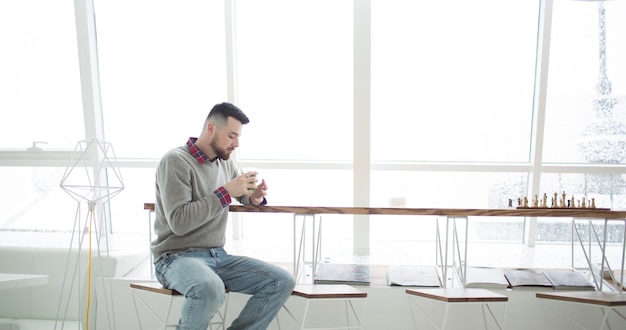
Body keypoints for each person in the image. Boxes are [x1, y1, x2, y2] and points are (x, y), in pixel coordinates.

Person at [150, 102, 296, 330]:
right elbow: (179, 222)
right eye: (231, 136)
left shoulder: (224, 163)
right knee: (209, 289)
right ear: (211, 129)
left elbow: (241, 194)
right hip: (175, 258)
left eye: (238, 137)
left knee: (281, 280)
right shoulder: (175, 161)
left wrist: (254, 197)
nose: (236, 144)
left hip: (218, 256)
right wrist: (226, 192)